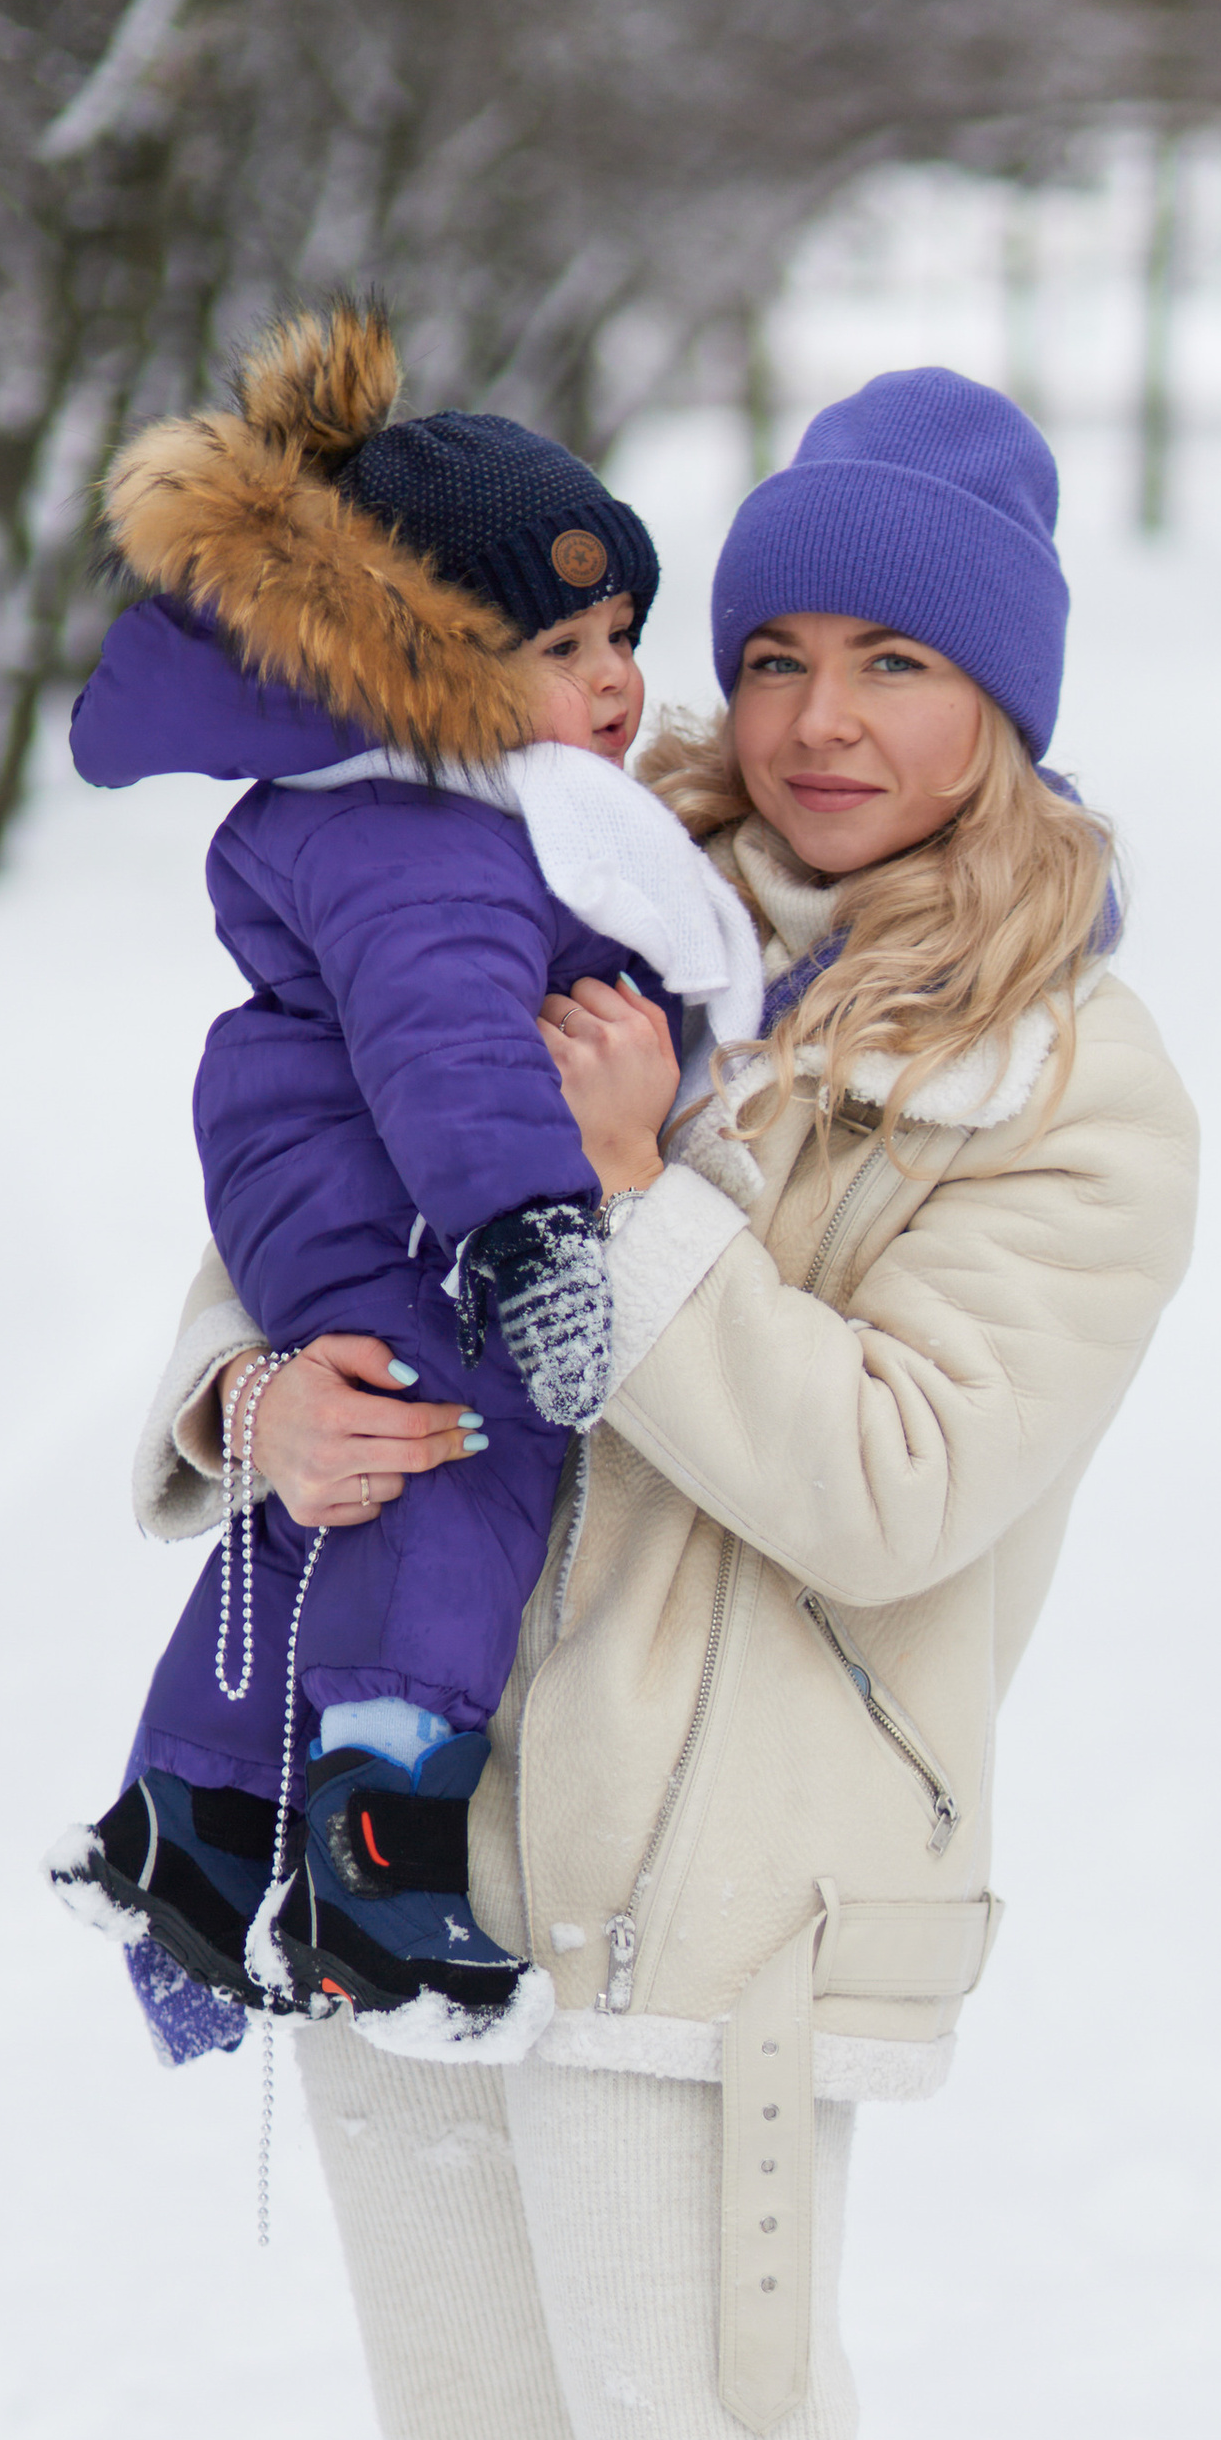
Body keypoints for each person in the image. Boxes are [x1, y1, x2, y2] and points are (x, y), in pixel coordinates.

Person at [117, 366, 1203, 2440]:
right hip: (419, 1854)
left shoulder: (1067, 1088)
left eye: (902, 663)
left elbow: (898, 1484)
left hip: (722, 1909)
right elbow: (300, 1208)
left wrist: (639, 1201)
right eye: (779, 650)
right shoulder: (568, 875)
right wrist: (242, 1412)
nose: (824, 719)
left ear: (1010, 704)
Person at [51, 302, 759, 2045]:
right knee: (458, 1454)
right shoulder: (427, 829)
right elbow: (450, 1045)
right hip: (391, 1184)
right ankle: (380, 1862)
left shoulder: (458, 801)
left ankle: (198, 1821)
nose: (617, 680)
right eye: (560, 645)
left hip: (343, 1170)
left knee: (353, 1475)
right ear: (421, 663)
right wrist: (533, 1235)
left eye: (625, 634)